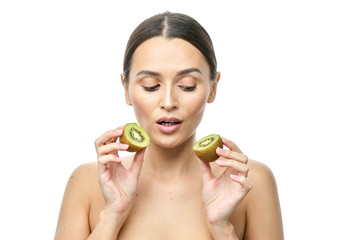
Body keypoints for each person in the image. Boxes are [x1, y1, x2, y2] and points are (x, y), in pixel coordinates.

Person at [55, 12, 283, 240]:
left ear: (213, 88)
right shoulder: (86, 182)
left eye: (187, 86)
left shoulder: (249, 182)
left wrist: (223, 228)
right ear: (126, 89)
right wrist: (112, 217)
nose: (168, 102)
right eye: (151, 86)